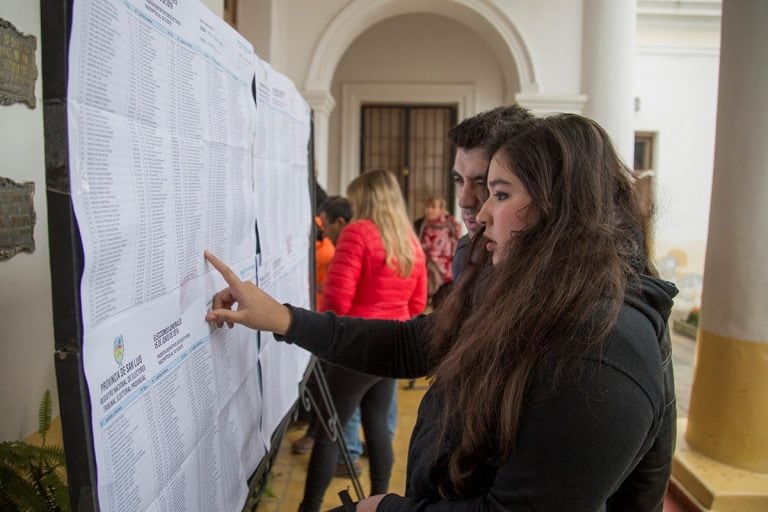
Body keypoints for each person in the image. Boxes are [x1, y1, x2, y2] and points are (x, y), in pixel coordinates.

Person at [205, 113, 677, 511]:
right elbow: (420, 343)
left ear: (555, 205)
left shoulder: (602, 346)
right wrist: (285, 320)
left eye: (498, 191)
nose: (478, 210)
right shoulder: (526, 286)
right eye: (467, 183)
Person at [295, 169, 428, 510]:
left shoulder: (358, 233)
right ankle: (378, 501)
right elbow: (417, 303)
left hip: (357, 347)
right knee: (378, 426)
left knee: (328, 429)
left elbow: (336, 302)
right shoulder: (409, 239)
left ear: (365, 198)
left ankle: (308, 508)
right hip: (394, 345)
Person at [447, 105, 533, 281]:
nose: (464, 201)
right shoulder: (466, 253)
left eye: (482, 182)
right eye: (459, 180)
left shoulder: (568, 277)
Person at [414, 196, 460, 302]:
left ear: (441, 209)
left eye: (433, 207)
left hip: (447, 272)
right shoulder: (419, 224)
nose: (429, 210)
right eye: (427, 207)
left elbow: (457, 244)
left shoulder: (451, 225)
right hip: (425, 270)